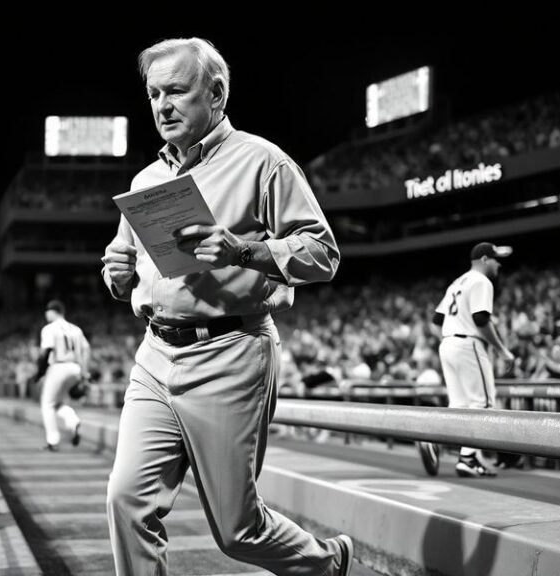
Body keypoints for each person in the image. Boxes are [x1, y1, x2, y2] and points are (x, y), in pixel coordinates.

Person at [101, 38, 351, 576]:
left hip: (230, 351)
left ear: (215, 93)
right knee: (126, 500)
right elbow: (127, 273)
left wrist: (244, 250)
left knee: (238, 532)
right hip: (154, 356)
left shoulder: (263, 161)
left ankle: (325, 564)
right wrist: (117, 277)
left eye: (176, 91)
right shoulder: (147, 179)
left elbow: (324, 254)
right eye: (153, 94)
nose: (162, 106)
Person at [420, 242, 516, 478]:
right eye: (495, 259)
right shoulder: (481, 281)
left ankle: (432, 438)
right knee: (482, 405)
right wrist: (503, 351)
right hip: (468, 343)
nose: (498, 263)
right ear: (484, 259)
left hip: (449, 343)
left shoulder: (458, 282)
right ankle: (469, 458)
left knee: (459, 407)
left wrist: (449, 336)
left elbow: (435, 321)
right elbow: (481, 319)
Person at [33, 300, 90, 451]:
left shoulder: (49, 328)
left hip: (58, 367)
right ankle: (73, 421)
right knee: (58, 403)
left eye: (47, 311)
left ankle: (53, 441)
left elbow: (46, 351)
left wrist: (39, 372)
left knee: (47, 405)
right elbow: (86, 348)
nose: (46, 314)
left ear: (53, 311)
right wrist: (84, 372)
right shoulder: (75, 329)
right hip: (75, 368)